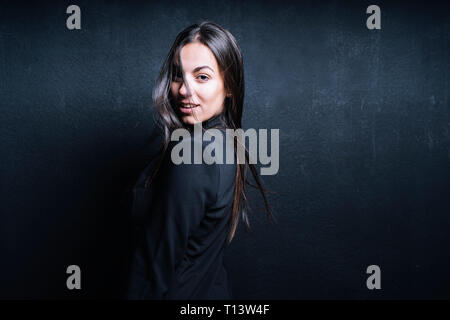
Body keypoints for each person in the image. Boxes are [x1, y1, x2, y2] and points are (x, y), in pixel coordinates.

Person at [124, 21, 274, 300]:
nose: (184, 90)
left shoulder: (196, 154)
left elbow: (154, 268)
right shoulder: (223, 142)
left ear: (229, 86)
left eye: (202, 77)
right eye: (179, 76)